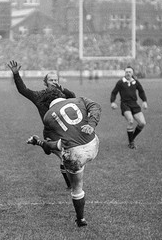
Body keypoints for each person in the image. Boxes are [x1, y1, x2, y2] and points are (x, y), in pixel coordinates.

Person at [27, 88, 101, 227]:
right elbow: (96, 106)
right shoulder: (80, 99)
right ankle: (41, 143)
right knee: (66, 144)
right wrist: (91, 125)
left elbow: (50, 148)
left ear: (46, 103)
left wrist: (43, 144)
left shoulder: (47, 116)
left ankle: (81, 219)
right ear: (61, 96)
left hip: (74, 154)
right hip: (93, 144)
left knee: (77, 187)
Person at [7, 60, 76, 189]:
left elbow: (74, 97)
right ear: (46, 82)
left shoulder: (62, 94)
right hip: (51, 133)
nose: (54, 82)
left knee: (69, 157)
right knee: (64, 157)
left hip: (66, 131)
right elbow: (23, 90)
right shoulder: (39, 96)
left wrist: (64, 90)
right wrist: (16, 74)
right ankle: (71, 186)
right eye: (51, 80)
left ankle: (38, 142)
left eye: (56, 80)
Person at [110, 66, 147, 149]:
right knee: (130, 121)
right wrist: (112, 102)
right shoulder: (120, 82)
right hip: (125, 104)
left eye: (130, 72)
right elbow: (114, 92)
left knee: (142, 123)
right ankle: (131, 143)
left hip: (134, 104)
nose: (128, 73)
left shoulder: (135, 82)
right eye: (126, 72)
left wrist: (144, 101)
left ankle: (132, 139)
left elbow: (141, 91)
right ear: (124, 73)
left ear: (132, 73)